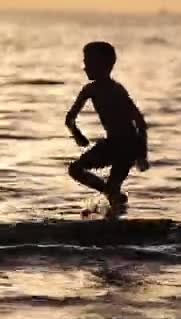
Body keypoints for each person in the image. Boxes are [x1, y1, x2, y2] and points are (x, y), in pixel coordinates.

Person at [65, 41, 149, 211]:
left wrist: (142, 154)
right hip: (111, 144)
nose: (84, 67)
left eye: (88, 63)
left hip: (128, 146)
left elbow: (139, 121)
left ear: (103, 66)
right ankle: (111, 197)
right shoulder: (89, 90)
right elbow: (69, 118)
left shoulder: (117, 90)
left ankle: (115, 215)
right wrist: (77, 134)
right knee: (75, 169)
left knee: (113, 189)